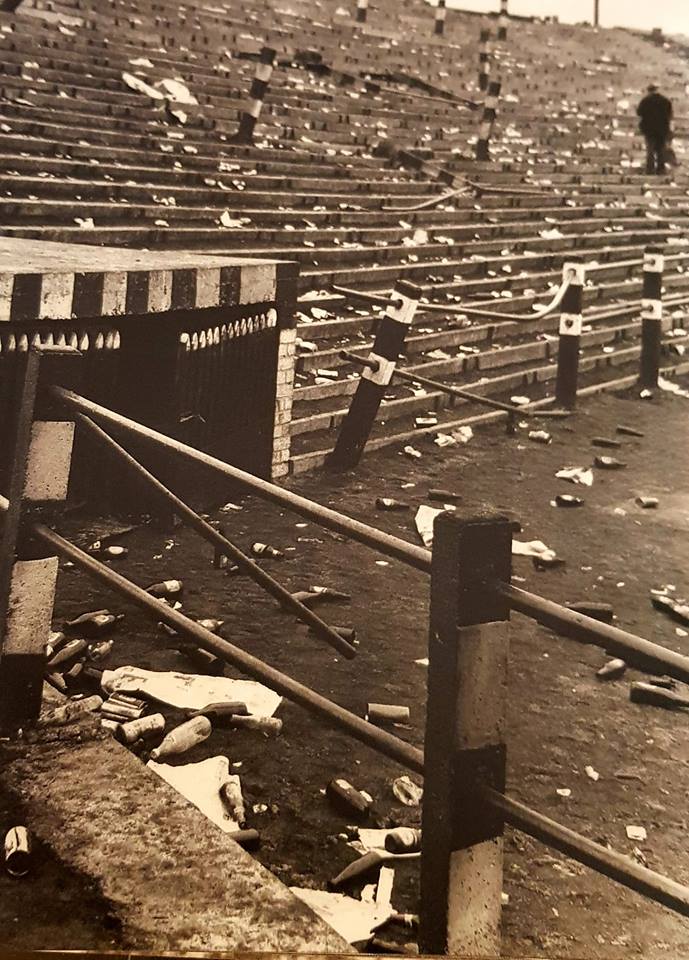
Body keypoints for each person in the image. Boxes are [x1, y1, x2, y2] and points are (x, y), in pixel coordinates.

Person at [637, 85, 673, 175]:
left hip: (649, 130)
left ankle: (650, 169)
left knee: (650, 150)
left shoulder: (645, 101)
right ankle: (661, 169)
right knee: (661, 150)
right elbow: (670, 115)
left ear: (649, 91)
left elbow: (639, 112)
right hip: (662, 129)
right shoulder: (665, 101)